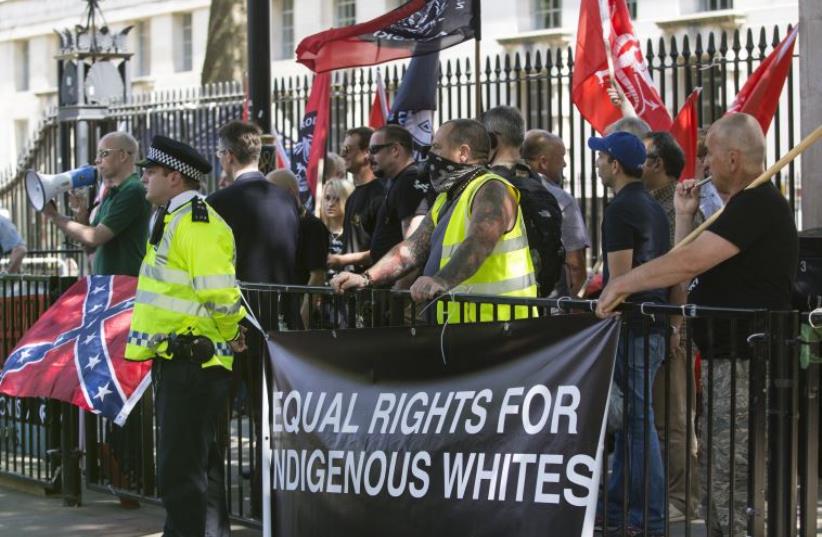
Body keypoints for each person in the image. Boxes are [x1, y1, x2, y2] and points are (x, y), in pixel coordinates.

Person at [597, 113, 799, 537]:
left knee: (730, 479)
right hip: (728, 360)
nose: (702, 165)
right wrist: (684, 216)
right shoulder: (741, 207)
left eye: (707, 156)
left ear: (731, 158)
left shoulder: (758, 203)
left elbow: (689, 261)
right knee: (720, 475)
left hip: (745, 362)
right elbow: (688, 265)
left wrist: (623, 284)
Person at [125, 135, 247, 537]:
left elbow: (219, 291)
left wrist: (231, 334)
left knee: (181, 472)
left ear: (174, 177)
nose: (143, 178)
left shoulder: (197, 223)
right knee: (198, 469)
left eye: (151, 172)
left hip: (194, 362)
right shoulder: (172, 218)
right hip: (180, 360)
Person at [331, 119, 537, 323]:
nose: (430, 155)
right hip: (462, 327)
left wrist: (440, 280)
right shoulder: (446, 197)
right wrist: (367, 278)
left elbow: (479, 242)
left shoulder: (492, 189)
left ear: (463, 153)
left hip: (502, 325)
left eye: (437, 147)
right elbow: (410, 251)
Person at [590, 130, 669, 535]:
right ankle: (623, 509)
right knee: (634, 424)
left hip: (634, 327)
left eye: (601, 157)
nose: (598, 164)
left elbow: (619, 279)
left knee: (636, 425)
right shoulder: (652, 206)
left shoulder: (621, 209)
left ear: (614, 165)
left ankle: (646, 517)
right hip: (651, 324)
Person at [642, 131, 703, 520]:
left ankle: (681, 498)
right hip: (653, 323)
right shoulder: (649, 205)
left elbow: (682, 271)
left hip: (672, 323)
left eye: (644, 156)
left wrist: (677, 322)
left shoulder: (678, 210)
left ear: (658, 164)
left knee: (674, 415)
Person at [43, 131, 151, 277]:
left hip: (125, 287)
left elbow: (94, 237)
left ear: (123, 156)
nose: (97, 160)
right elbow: (90, 248)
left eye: (103, 154)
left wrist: (54, 216)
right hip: (110, 285)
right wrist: (81, 213)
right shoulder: (113, 193)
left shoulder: (133, 190)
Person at [207, 120, 299, 288]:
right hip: (284, 305)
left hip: (243, 307)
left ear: (229, 156)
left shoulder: (217, 203)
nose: (220, 159)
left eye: (220, 154)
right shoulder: (286, 198)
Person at [522, 129, 591, 296]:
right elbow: (575, 263)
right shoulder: (562, 200)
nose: (565, 164)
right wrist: (573, 301)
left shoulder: (504, 187)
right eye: (561, 157)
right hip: (552, 299)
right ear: (543, 162)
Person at [367, 125, 433, 287]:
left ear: (395, 150)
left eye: (374, 149)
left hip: (401, 295)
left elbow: (413, 248)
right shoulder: (402, 180)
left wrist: (398, 296)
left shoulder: (408, 181)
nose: (368, 157)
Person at [267, 168, 329, 327]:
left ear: (289, 192)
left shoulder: (312, 226)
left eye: (271, 192)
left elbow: (317, 276)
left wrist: (303, 317)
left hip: (300, 309)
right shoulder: (277, 224)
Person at [327, 127, 385, 273]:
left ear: (366, 153)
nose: (342, 154)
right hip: (348, 285)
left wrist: (341, 260)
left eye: (348, 149)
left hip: (369, 286)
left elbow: (382, 251)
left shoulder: (380, 195)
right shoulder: (353, 196)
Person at [321, 179, 354, 283]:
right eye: (327, 198)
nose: (330, 204)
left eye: (337, 199)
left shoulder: (353, 234)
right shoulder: (318, 231)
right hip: (318, 293)